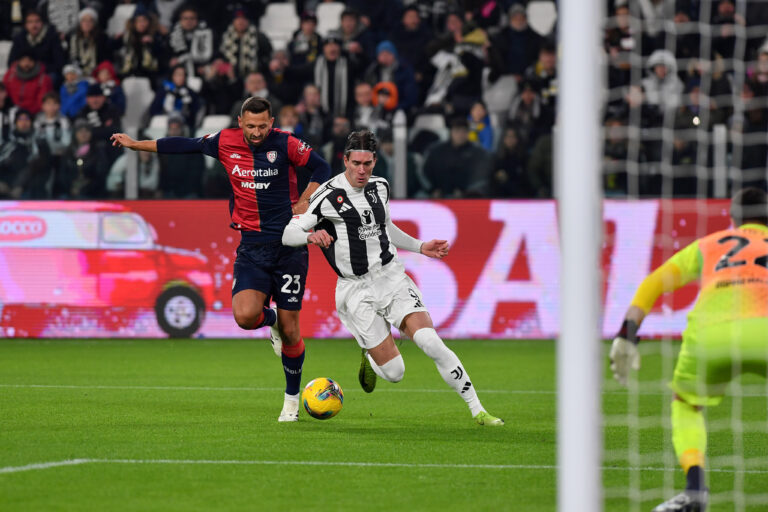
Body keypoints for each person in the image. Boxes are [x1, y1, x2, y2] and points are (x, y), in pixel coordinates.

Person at [110, 97, 332, 422]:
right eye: (251, 126)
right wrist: (136, 144)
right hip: (252, 247)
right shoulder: (224, 141)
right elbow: (183, 145)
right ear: (240, 121)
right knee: (245, 317)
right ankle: (269, 323)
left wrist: (305, 199)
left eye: (263, 126)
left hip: (290, 246)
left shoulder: (287, 143)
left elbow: (323, 167)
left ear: (271, 123)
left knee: (292, 330)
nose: (257, 132)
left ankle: (291, 401)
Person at [282, 130, 504, 426]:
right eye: (356, 163)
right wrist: (310, 236)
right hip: (356, 290)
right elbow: (288, 234)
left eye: (368, 163)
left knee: (430, 342)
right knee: (395, 373)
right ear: (345, 160)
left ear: (375, 161)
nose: (362, 170)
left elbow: (385, 227)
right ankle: (370, 354)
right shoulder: (326, 195)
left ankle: (478, 410)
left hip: (391, 277)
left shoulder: (380, 187)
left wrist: (420, 246)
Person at [609, 187, 768, 512]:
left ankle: (695, 490)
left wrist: (627, 334)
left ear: (734, 219)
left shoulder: (710, 245)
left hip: (710, 336)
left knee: (686, 404)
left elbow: (654, 282)